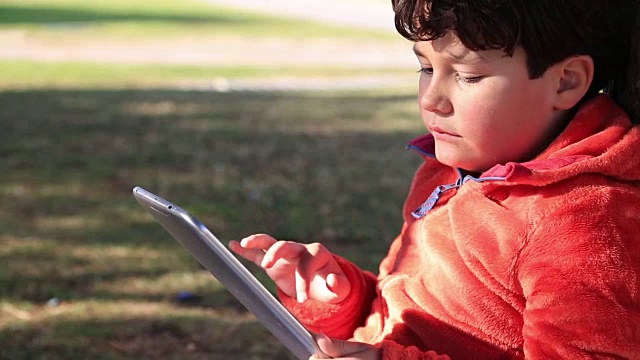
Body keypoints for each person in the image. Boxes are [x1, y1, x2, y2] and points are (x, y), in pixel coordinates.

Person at [230, 1, 640, 358]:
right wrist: (343, 298)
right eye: (426, 67)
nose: (431, 99)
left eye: (467, 75)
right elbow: (411, 312)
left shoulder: (583, 222)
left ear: (565, 81)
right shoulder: (452, 169)